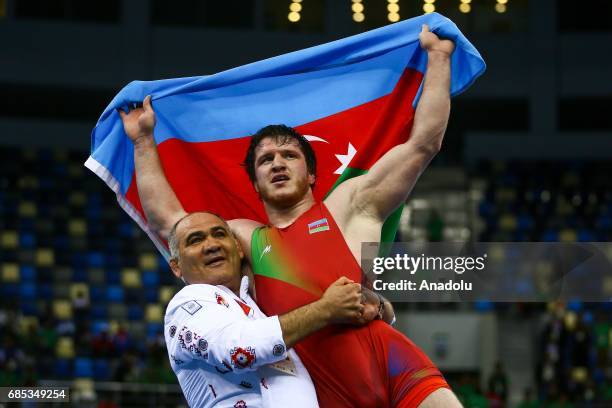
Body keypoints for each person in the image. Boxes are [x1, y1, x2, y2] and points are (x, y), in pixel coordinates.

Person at [121, 25, 461, 407]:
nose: (278, 164)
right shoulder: (244, 238)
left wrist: (438, 56)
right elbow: (171, 224)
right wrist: (143, 141)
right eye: (266, 160)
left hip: (390, 360)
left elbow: (423, 144)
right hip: (323, 393)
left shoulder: (351, 203)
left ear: (312, 173)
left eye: (290, 155)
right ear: (254, 182)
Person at [163, 211, 368, 407]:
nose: (212, 245)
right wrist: (326, 309)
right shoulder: (185, 304)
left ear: (238, 248)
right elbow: (240, 350)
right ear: (176, 267)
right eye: (195, 240)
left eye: (219, 234)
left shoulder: (256, 307)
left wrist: (375, 306)